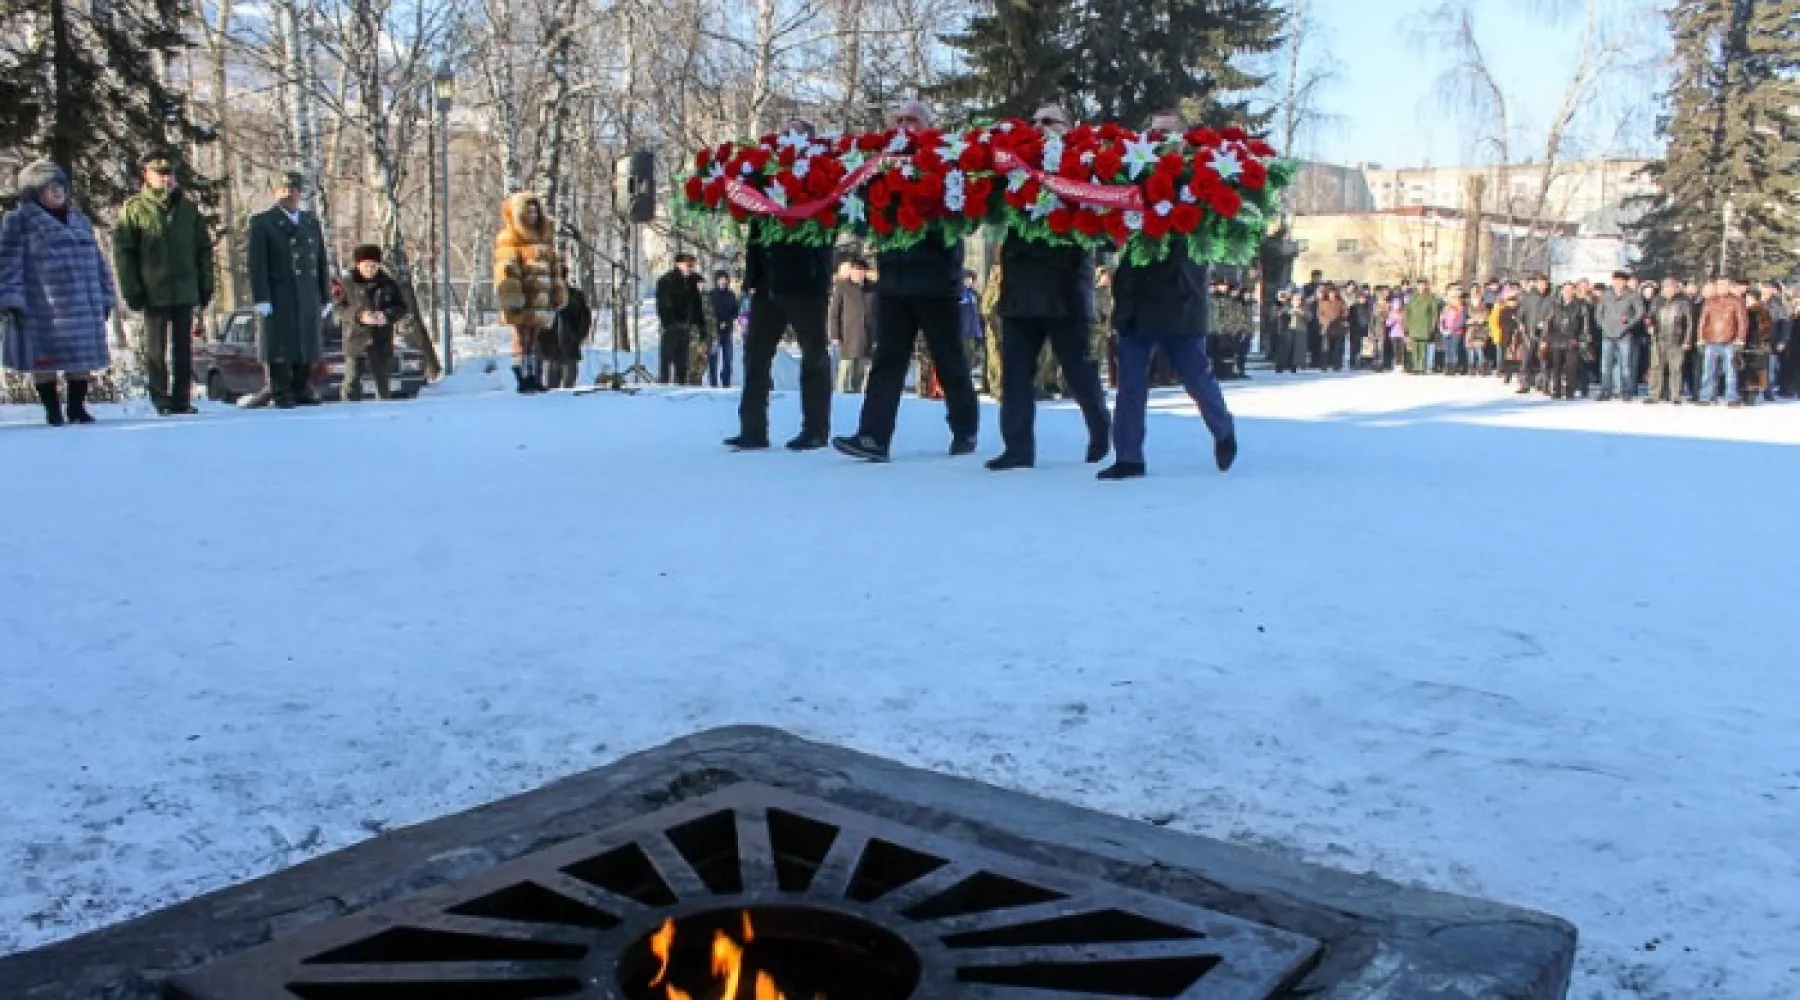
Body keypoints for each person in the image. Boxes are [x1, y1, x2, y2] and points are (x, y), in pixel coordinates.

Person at [833, 99, 980, 463]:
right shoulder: (879, 166)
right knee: (888, 361)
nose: (903, 126)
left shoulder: (945, 162)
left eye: (911, 120)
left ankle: (965, 428)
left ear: (927, 125)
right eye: (897, 119)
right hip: (895, 282)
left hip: (935, 279)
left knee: (948, 359)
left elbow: (964, 216)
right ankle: (873, 437)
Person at [732, 120, 836, 449]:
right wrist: (751, 276)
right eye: (783, 135)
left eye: (794, 135)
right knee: (756, 356)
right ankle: (753, 427)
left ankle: (815, 428)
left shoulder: (822, 176)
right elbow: (756, 228)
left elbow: (826, 225)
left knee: (813, 356)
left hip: (806, 282)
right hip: (766, 281)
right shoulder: (766, 177)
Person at [0, 160, 115, 425]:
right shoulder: (19, 222)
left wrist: (106, 296)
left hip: (83, 305)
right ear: (33, 193)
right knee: (45, 361)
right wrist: (11, 299)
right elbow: (8, 264)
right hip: (43, 306)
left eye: (60, 186)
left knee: (80, 360)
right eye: (49, 187)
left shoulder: (80, 221)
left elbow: (99, 263)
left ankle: (77, 408)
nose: (57, 192)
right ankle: (53, 410)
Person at [112, 152, 213, 416]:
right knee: (156, 350)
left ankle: (181, 398)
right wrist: (131, 288)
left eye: (170, 175)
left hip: (184, 288)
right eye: (160, 175)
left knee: (183, 349)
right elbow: (125, 253)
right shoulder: (134, 209)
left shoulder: (189, 210)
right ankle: (160, 398)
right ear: (147, 176)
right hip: (153, 289)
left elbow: (203, 249)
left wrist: (205, 284)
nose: (166, 179)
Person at [246, 171, 331, 408]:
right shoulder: (263, 222)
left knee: (305, 340)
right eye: (283, 190)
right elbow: (257, 263)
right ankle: (281, 390)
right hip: (278, 291)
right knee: (280, 343)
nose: (289, 195)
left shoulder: (310, 222)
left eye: (293, 190)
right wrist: (261, 296)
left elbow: (320, 260)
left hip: (306, 292)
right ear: (275, 193)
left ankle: (301, 387)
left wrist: (325, 294)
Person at [493, 192, 564, 393]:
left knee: (534, 339)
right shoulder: (509, 237)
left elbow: (553, 267)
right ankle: (522, 377)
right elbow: (506, 267)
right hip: (522, 296)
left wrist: (557, 292)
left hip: (540, 298)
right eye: (528, 211)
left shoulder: (544, 237)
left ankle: (532, 375)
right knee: (521, 337)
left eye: (535, 211)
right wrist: (511, 294)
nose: (532, 215)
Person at [334, 245, 408, 400]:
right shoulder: (346, 284)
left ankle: (383, 408)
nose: (370, 269)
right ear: (358, 265)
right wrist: (359, 316)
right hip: (355, 338)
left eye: (374, 266)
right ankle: (349, 408)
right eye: (366, 266)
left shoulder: (388, 284)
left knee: (382, 380)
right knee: (352, 380)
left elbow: (401, 307)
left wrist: (386, 316)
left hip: (380, 339)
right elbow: (339, 309)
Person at [1594, 271, 1645, 400]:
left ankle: (1626, 391)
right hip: (1607, 334)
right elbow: (1598, 313)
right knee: (1606, 364)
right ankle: (1606, 390)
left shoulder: (1632, 295)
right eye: (1615, 280)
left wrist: (1628, 324)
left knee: (1625, 365)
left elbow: (1640, 312)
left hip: (1624, 334)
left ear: (1625, 282)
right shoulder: (1606, 295)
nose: (1618, 283)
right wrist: (1603, 325)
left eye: (1621, 281)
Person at [653, 252, 701, 387]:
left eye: (692, 265)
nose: (690, 268)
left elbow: (694, 303)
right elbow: (663, 304)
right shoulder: (666, 280)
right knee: (666, 359)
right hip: (671, 326)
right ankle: (664, 387)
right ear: (678, 264)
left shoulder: (691, 281)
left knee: (682, 362)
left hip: (686, 326)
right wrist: (669, 323)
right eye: (688, 265)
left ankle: (681, 387)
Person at [1695, 280, 1747, 406]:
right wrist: (1700, 337)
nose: (1721, 288)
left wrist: (1740, 339)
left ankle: (1731, 397)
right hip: (1710, 340)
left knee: (1730, 371)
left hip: (1730, 341)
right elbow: (1702, 321)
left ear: (1729, 287)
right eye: (1719, 285)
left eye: (1724, 285)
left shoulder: (1736, 301)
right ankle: (1706, 396)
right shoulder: (1709, 301)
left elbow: (1742, 321)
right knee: (1708, 371)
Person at [827, 257, 875, 393]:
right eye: (856, 270)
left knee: (862, 376)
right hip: (847, 338)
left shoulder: (872, 289)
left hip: (868, 339)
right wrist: (835, 335)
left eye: (862, 270)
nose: (859, 273)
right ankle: (840, 400)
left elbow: (879, 313)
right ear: (851, 271)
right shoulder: (842, 288)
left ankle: (859, 401)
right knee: (844, 374)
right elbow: (834, 314)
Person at [543, 266, 591, 390]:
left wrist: (577, 338)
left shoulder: (575, 296)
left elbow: (585, 319)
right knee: (551, 390)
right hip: (551, 350)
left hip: (570, 348)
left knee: (569, 388)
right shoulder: (546, 298)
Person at [1644, 278, 1690, 404]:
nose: (1669, 289)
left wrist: (1687, 340)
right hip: (1658, 339)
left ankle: (1676, 395)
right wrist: (1649, 325)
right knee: (1655, 367)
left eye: (1671, 287)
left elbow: (1689, 323)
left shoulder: (1683, 302)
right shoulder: (1657, 301)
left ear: (1675, 288)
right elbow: (1649, 316)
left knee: (1676, 368)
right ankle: (1654, 395)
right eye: (1666, 287)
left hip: (1676, 339)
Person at [1544, 282, 1588, 400]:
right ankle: (1556, 390)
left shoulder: (1580, 305)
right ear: (1561, 291)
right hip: (1556, 338)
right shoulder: (1555, 305)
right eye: (1565, 290)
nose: (1568, 293)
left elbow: (1585, 324)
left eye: (1570, 290)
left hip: (1572, 339)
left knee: (1571, 367)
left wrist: (1582, 338)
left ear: (1574, 291)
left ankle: (1570, 391)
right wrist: (1546, 338)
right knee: (1556, 367)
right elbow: (1548, 322)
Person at [706, 271, 739, 388]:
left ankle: (726, 382)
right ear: (716, 280)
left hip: (727, 331)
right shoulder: (711, 295)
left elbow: (736, 311)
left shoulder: (731, 295)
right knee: (713, 359)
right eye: (720, 279)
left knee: (728, 359)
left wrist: (728, 321)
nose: (723, 281)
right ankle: (713, 383)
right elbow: (707, 312)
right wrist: (716, 323)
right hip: (714, 332)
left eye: (725, 279)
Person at [1403, 279, 1440, 374]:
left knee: (1423, 347)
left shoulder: (1430, 298)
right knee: (1414, 348)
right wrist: (1406, 325)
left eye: (1423, 285)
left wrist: (1432, 326)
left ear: (1426, 286)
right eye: (1419, 285)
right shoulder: (1412, 297)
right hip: (1413, 326)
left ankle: (1421, 367)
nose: (1421, 287)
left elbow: (1434, 313)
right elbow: (1407, 312)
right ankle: (1415, 366)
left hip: (1425, 326)